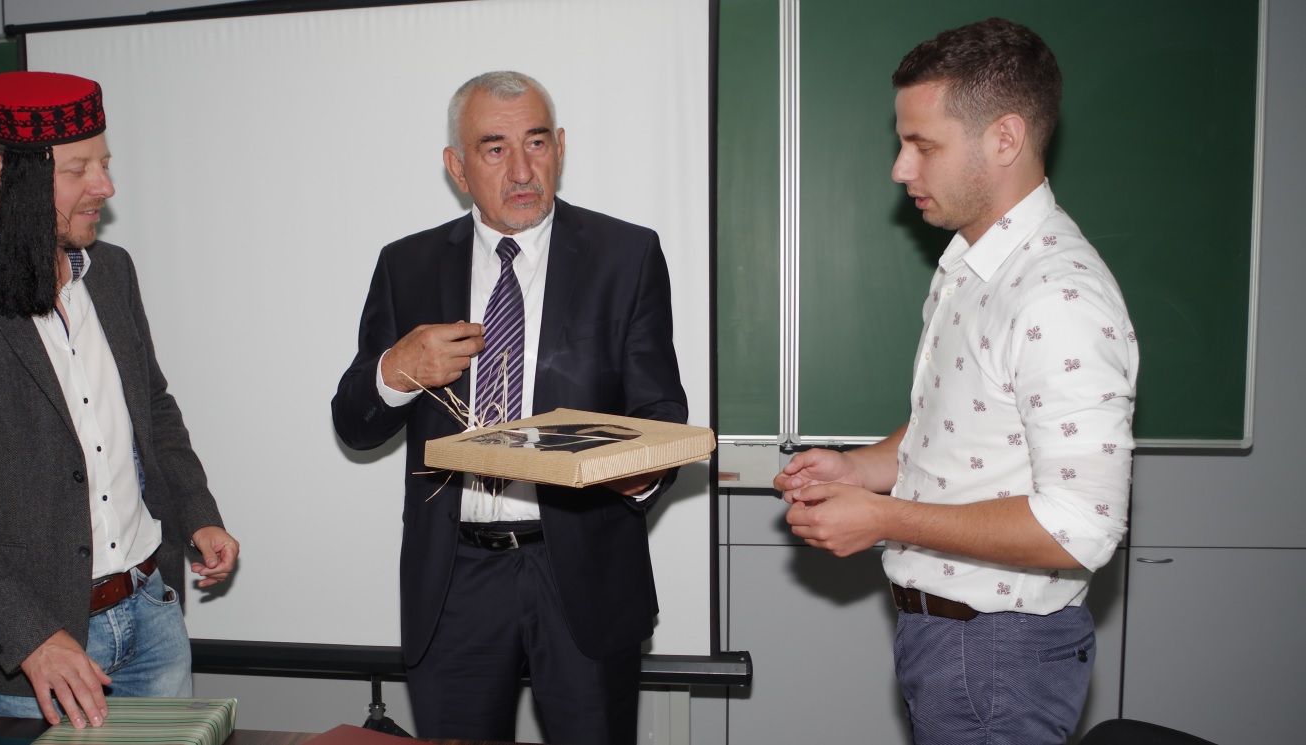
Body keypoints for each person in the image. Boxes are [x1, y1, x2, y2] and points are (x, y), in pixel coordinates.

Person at [774, 18, 1138, 745]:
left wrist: (884, 518)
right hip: (951, 643)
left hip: (999, 654)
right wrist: (860, 469)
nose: (899, 169)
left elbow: (1080, 528)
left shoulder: (1058, 298)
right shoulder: (970, 266)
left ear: (1003, 139)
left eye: (924, 146)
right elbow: (954, 424)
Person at [330, 70, 687, 745]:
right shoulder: (406, 265)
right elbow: (354, 422)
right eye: (494, 149)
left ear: (560, 147)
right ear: (457, 167)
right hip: (455, 580)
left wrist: (639, 474)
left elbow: (660, 411)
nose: (521, 170)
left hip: (581, 574)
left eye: (536, 143)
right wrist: (396, 371)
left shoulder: (625, 255)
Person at [0, 71, 239, 729]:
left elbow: (152, 407)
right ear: (6, 173)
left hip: (153, 613)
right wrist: (31, 639)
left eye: (104, 163)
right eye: (78, 169)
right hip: (44, 657)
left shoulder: (114, 273)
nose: (105, 186)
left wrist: (197, 512)